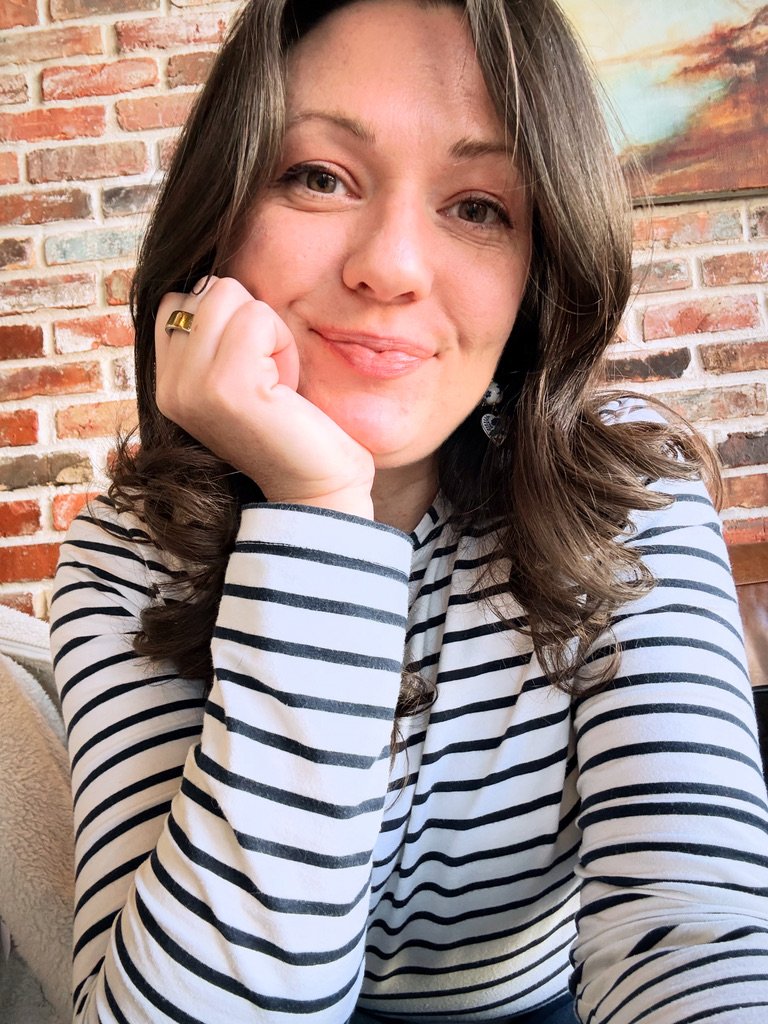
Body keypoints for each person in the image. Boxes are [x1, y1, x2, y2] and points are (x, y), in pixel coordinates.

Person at [49, 0, 768, 1021]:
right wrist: (319, 513)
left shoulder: (629, 506)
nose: (388, 265)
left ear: (538, 265)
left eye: (479, 206)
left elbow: (693, 936)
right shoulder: (128, 557)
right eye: (317, 177)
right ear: (218, 217)